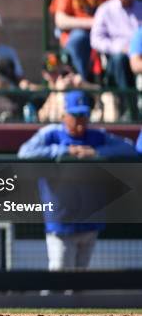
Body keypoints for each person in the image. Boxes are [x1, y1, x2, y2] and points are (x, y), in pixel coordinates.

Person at [18, 90, 137, 270]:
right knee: (60, 278)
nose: (80, 120)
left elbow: (130, 150)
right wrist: (63, 151)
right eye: (75, 115)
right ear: (64, 115)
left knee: (81, 282)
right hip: (62, 223)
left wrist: (97, 153)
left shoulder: (97, 137)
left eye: (84, 115)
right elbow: (24, 153)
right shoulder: (52, 134)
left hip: (89, 222)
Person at [90, 0, 140, 91]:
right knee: (120, 60)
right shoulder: (104, 10)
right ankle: (128, 105)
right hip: (117, 59)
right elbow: (96, 40)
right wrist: (119, 48)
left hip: (139, 55)